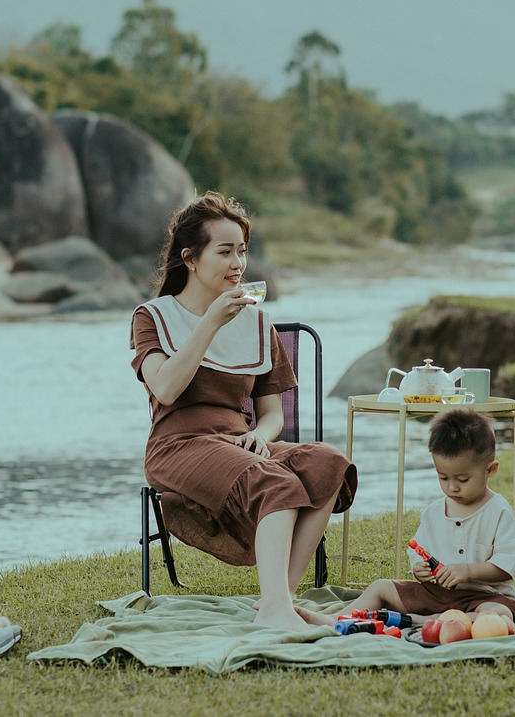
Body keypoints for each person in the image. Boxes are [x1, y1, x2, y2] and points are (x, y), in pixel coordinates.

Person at [130, 191, 357, 632]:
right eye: (225, 251)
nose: (239, 263)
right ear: (190, 258)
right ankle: (277, 608)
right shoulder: (153, 317)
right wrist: (211, 321)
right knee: (273, 480)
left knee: (328, 463)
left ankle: (279, 601)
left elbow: (272, 413)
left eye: (243, 251)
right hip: (178, 447)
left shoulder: (257, 322)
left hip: (239, 442)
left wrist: (263, 436)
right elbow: (168, 387)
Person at [297, 408, 515, 627]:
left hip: (485, 597)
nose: (452, 487)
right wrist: (420, 570)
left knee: (499, 614)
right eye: (443, 477)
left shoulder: (499, 511)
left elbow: (505, 565)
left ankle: (424, 621)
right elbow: (419, 552)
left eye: (463, 479)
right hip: (437, 595)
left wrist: (468, 571)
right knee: (381, 587)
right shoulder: (434, 512)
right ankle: (337, 618)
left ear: (490, 469)